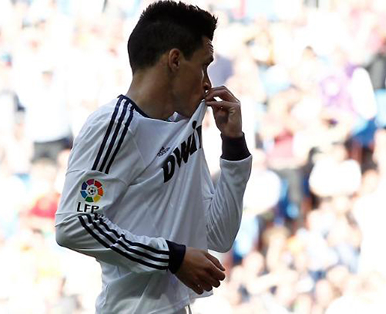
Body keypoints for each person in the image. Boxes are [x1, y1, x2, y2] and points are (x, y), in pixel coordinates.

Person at [55, 1, 252, 313]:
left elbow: (218, 234)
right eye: (203, 65)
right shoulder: (114, 125)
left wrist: (234, 145)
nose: (207, 83)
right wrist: (171, 257)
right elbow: (75, 223)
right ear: (174, 60)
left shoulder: (183, 128)